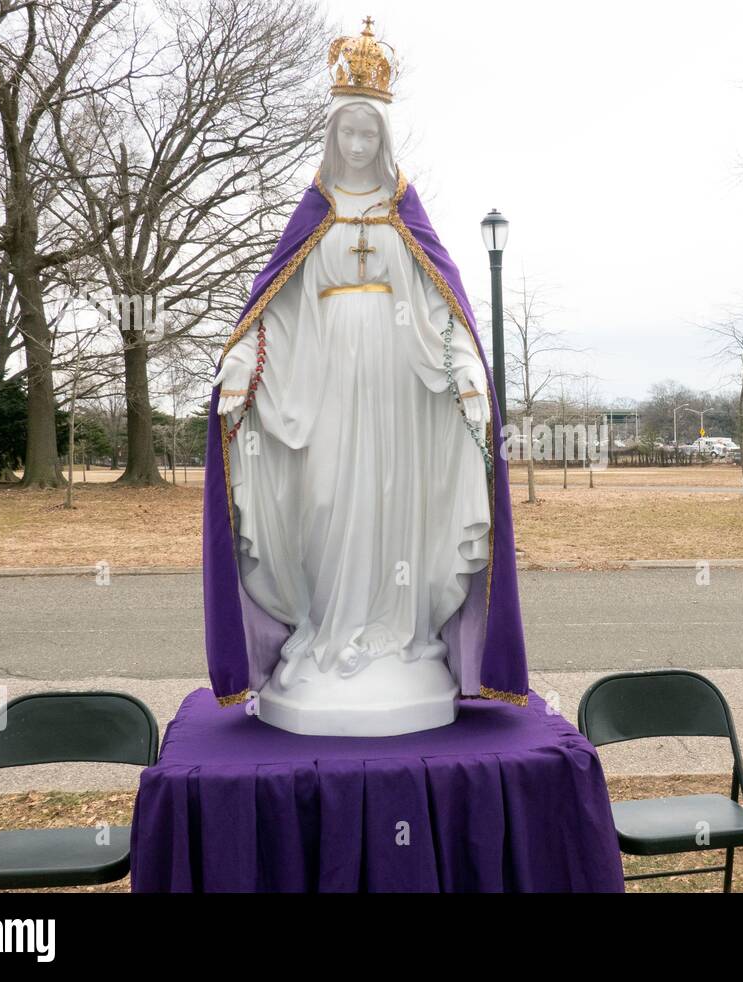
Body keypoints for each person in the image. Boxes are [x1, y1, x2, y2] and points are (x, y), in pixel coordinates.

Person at [201, 19, 528, 734]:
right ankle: (324, 631)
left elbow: (443, 313)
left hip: (398, 393)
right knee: (322, 502)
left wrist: (467, 369)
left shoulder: (404, 217)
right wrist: (241, 358)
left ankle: (398, 634)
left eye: (367, 136)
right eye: (346, 134)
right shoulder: (311, 220)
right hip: (321, 394)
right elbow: (276, 312)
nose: (357, 147)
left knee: (394, 507)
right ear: (331, 137)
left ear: (383, 139)